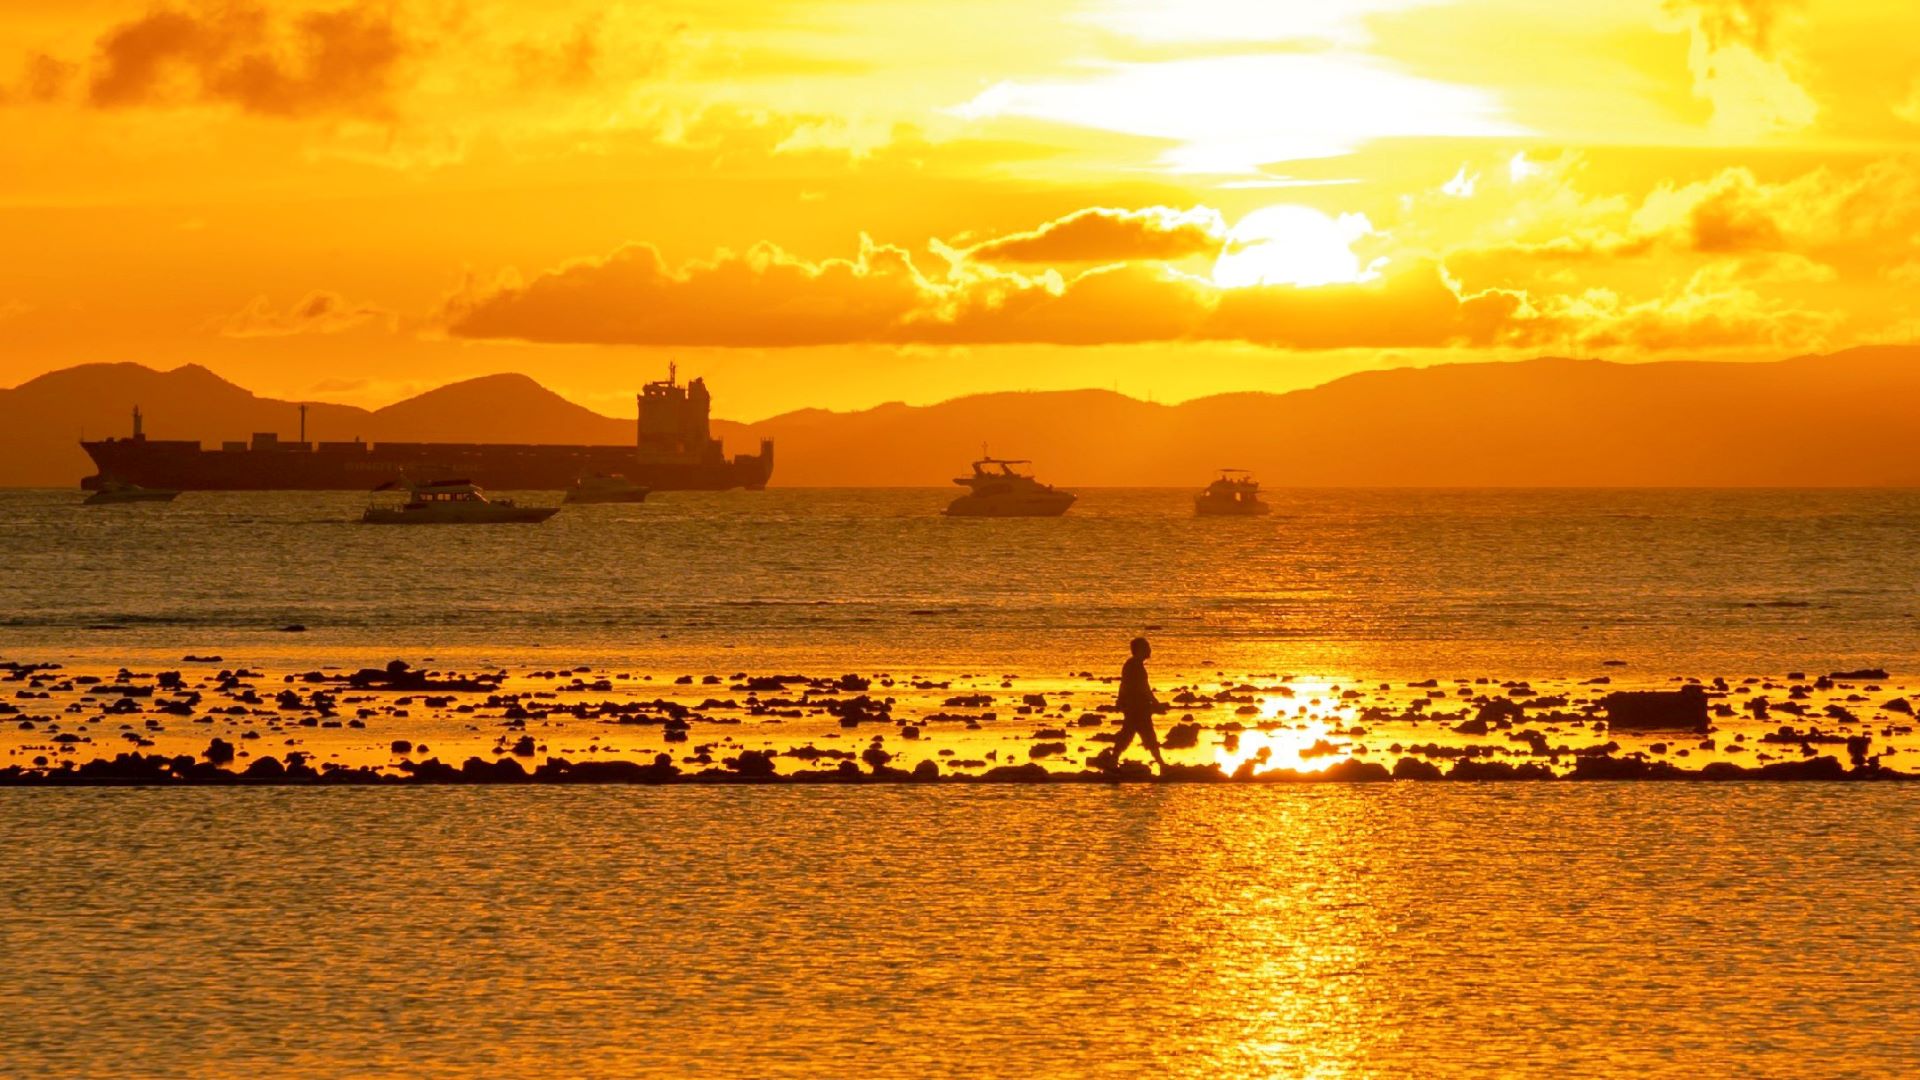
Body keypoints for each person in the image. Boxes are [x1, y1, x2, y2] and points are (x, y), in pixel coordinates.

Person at [1111, 636, 1166, 771]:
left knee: (1129, 734)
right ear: (1140, 650)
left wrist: (1120, 700)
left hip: (1136, 707)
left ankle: (1113, 760)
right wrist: (1156, 703)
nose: (1149, 650)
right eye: (1147, 647)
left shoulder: (1133, 664)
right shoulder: (1134, 665)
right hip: (1137, 707)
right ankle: (1162, 765)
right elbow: (1143, 687)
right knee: (1145, 735)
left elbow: (1124, 684)